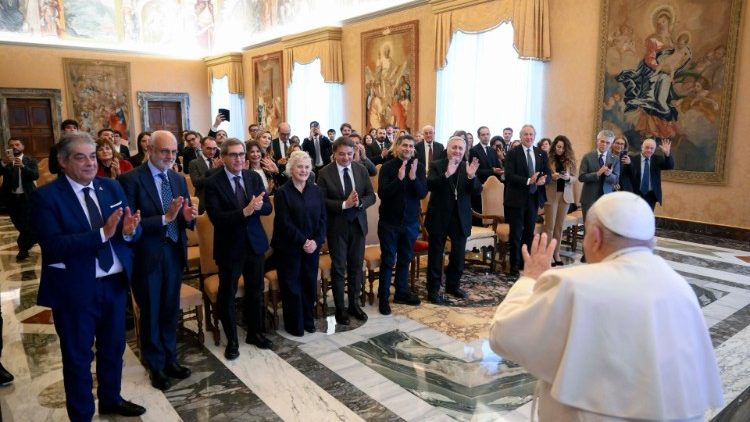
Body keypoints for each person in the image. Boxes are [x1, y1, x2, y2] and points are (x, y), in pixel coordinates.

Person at [489, 192, 723, 421]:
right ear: (651, 240)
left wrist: (530, 278)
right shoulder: (681, 288)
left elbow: (505, 335)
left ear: (595, 237)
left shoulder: (574, 285)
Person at [31, 132, 146, 420]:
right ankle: (82, 415)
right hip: (75, 290)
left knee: (114, 348)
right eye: (80, 157)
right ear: (62, 161)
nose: (89, 163)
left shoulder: (111, 187)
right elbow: (53, 245)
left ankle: (111, 398)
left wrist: (130, 231)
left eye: (92, 156)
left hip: (114, 285)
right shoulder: (46, 197)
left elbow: (129, 228)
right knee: (78, 357)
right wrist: (101, 234)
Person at [119, 130, 197, 391]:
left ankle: (170, 358)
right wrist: (166, 218)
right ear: (149, 150)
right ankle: (155, 365)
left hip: (174, 252)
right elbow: (130, 224)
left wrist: (187, 216)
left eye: (174, 152)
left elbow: (185, 216)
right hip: (147, 256)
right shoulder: (130, 179)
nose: (170, 156)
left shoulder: (176, 178)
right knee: (151, 312)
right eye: (165, 151)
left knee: (169, 309)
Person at [205, 138, 274, 358]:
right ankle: (232, 340)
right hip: (230, 247)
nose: (239, 159)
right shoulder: (213, 182)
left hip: (254, 244)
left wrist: (260, 206)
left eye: (241, 154)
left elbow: (267, 207)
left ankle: (255, 332)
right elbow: (216, 217)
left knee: (255, 291)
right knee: (228, 295)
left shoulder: (253, 177)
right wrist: (244, 212)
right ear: (223, 157)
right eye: (233, 155)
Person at [317, 138, 376, 324]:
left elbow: (371, 196)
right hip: (337, 227)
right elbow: (321, 201)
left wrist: (360, 203)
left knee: (356, 267)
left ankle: (354, 304)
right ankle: (340, 309)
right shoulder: (324, 173)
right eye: (342, 154)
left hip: (358, 225)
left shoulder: (361, 169)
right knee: (339, 268)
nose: (346, 158)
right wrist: (344, 204)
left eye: (349, 154)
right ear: (334, 153)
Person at [271, 151, 326, 336]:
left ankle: (308, 320)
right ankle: (294, 324)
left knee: (309, 283)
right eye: (299, 167)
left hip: (312, 247)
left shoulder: (316, 190)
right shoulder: (282, 192)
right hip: (289, 247)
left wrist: (316, 242)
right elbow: (284, 223)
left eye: (307, 167)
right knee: (292, 286)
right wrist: (303, 241)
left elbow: (322, 220)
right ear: (291, 169)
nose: (303, 170)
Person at [425, 136, 481, 304]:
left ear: (464, 151)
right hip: (439, 216)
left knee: (458, 255)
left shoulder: (467, 167)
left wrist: (472, 177)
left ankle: (453, 285)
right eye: (454, 147)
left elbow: (477, 191)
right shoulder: (437, 165)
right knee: (436, 255)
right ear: (448, 149)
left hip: (460, 217)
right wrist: (447, 174)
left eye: (460, 148)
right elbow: (430, 185)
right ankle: (433, 289)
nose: (457, 151)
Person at [377, 135, 426, 314]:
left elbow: (421, 193)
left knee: (405, 259)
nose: (407, 149)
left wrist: (413, 178)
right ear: (397, 147)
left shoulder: (418, 167)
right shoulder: (388, 167)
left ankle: (401, 292)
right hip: (389, 223)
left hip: (411, 223)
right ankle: (383, 297)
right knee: (388, 260)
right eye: (404, 145)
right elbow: (383, 193)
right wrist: (399, 179)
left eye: (411, 146)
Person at [503, 124, 550, 277]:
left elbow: (547, 173)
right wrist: (528, 180)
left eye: (531, 134)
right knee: (516, 233)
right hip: (516, 199)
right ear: (521, 136)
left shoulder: (541, 153)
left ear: (534, 136)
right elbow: (509, 175)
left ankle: (525, 262)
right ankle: (514, 266)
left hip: (533, 198)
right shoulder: (513, 153)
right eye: (526, 135)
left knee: (529, 232)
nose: (528, 137)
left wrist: (543, 179)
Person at [1, 137, 39, 261]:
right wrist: (3, 163)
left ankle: (22, 249)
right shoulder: (7, 164)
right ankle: (29, 242)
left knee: (26, 225)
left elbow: (35, 175)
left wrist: (23, 166)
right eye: (11, 145)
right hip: (12, 200)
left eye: (17, 144)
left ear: (22, 147)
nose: (14, 147)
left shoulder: (30, 161)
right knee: (19, 225)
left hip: (27, 198)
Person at [543, 135, 576, 266]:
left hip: (565, 196)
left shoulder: (570, 160)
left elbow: (575, 178)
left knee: (559, 227)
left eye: (563, 147)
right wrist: (552, 177)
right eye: (558, 147)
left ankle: (556, 253)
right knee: (549, 227)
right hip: (552, 194)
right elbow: (543, 176)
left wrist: (568, 178)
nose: (560, 149)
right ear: (554, 146)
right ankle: (548, 254)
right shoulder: (547, 159)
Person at [579, 130, 620, 221]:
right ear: (597, 141)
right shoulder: (587, 157)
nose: (604, 144)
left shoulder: (615, 159)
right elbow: (581, 177)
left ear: (611, 144)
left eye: (608, 142)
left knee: (603, 228)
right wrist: (597, 174)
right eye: (602, 141)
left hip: (606, 199)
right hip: (589, 198)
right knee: (589, 228)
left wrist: (609, 175)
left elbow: (616, 179)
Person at [628, 138, 674, 210]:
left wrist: (667, 154)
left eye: (652, 148)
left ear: (654, 149)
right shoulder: (633, 159)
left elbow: (669, 166)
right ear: (642, 147)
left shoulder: (658, 159)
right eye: (647, 147)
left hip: (651, 195)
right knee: (634, 217)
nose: (649, 150)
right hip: (635, 194)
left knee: (647, 217)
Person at [188, 136, 221, 213]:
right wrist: (212, 170)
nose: (212, 152)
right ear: (202, 147)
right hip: (204, 200)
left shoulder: (218, 162)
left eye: (214, 149)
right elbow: (196, 183)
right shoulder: (194, 163)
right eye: (209, 148)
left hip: (219, 199)